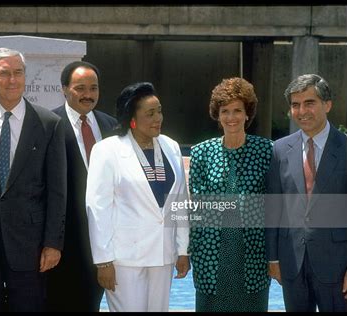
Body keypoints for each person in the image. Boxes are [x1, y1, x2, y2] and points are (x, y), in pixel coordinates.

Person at [0, 47, 67, 312]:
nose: (12, 80)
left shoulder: (49, 123)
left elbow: (58, 191)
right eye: (4, 73)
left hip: (30, 246)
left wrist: (53, 243)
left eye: (18, 73)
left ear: (25, 77)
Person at [86, 82, 190, 312]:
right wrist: (103, 261)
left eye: (160, 111)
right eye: (150, 113)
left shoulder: (171, 146)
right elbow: (97, 208)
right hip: (124, 258)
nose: (158, 118)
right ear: (131, 117)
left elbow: (180, 202)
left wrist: (183, 249)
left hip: (163, 254)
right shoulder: (107, 150)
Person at [188, 77, 273, 312]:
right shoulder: (202, 153)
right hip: (210, 254)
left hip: (253, 256)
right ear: (217, 114)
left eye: (238, 110)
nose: (231, 117)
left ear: (248, 114)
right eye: (225, 111)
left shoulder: (266, 151)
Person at [265, 74, 347, 312]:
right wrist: (273, 258)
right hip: (292, 264)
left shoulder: (346, 149)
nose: (302, 111)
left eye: (309, 103)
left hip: (337, 265)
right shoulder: (280, 149)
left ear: (327, 104)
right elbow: (274, 206)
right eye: (295, 105)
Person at [45, 61, 117, 312]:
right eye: (80, 88)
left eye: (93, 88)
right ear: (64, 89)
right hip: (63, 248)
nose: (88, 95)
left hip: (103, 247)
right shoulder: (47, 124)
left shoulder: (111, 126)